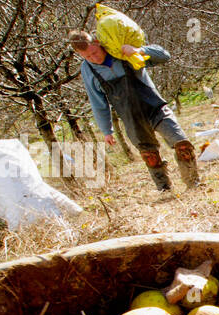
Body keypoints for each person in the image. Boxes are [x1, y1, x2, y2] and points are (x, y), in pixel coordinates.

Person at [69, 29, 199, 192]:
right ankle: (164, 190)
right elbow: (97, 101)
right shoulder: (88, 69)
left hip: (155, 108)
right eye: (87, 57)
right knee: (150, 156)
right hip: (130, 118)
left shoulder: (119, 50)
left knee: (182, 144)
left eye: (94, 52)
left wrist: (139, 50)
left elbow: (164, 56)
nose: (94, 58)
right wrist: (106, 130)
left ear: (97, 43)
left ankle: (193, 184)